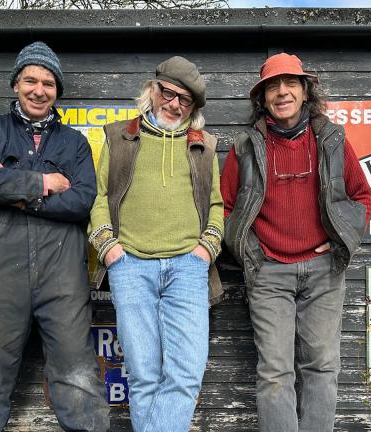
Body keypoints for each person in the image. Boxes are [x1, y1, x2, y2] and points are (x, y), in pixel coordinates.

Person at [221, 53, 371, 432]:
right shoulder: (245, 146)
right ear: (263, 98)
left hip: (324, 272)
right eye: (273, 86)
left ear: (306, 91)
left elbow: (362, 197)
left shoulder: (333, 139)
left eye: (290, 83)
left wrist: (339, 239)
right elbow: (223, 207)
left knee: (322, 365)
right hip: (269, 272)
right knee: (275, 371)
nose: (282, 92)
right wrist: (254, 252)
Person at [0, 41, 109, 432]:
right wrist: (43, 183)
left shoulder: (74, 143)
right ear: (16, 84)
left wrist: (19, 196)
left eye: (48, 82)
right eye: (30, 80)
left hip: (62, 276)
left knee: (78, 377)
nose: (39, 90)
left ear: (57, 90)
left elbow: (81, 200)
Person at [88, 56, 223, 432]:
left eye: (185, 100)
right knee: (144, 376)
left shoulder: (204, 146)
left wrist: (204, 251)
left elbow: (216, 205)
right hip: (130, 265)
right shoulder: (117, 137)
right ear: (153, 89)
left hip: (187, 268)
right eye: (168, 92)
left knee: (186, 373)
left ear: (192, 108)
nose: (174, 104)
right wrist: (110, 249)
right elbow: (99, 198)